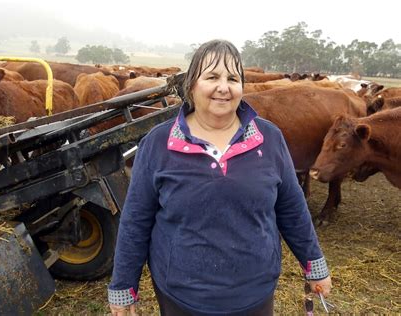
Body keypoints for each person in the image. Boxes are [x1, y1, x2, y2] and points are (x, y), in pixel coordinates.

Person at [108, 39, 332, 316]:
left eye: (233, 78)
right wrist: (123, 286)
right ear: (191, 85)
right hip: (181, 294)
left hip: (254, 292)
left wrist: (315, 265)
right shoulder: (159, 142)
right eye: (212, 77)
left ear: (241, 87)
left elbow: (292, 208)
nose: (223, 87)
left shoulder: (268, 138)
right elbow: (136, 220)